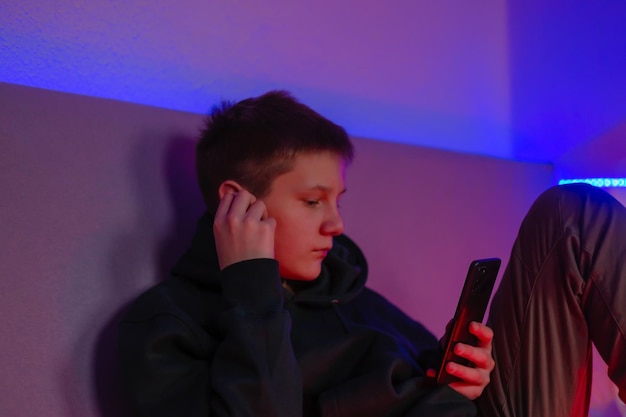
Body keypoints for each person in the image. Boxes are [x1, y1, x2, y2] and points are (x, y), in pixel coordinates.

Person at [118, 90, 626, 417]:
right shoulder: (170, 326)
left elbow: (432, 379)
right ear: (237, 202)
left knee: (574, 211)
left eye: (337, 201)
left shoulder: (347, 291)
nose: (336, 225)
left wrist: (461, 371)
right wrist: (252, 289)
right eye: (313, 201)